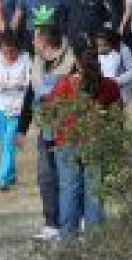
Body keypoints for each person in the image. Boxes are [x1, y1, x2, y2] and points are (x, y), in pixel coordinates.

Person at [44, 49, 123, 243]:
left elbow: (49, 111)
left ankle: (68, 240)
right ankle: (95, 241)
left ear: (77, 63)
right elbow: (118, 115)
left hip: (67, 141)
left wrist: (53, 135)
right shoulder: (110, 86)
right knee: (94, 191)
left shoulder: (64, 84)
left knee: (69, 190)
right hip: (96, 141)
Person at [20, 26, 75, 242]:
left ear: (44, 42)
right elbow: (30, 94)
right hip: (45, 129)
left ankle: (70, 222)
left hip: (68, 130)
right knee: (45, 177)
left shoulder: (72, 63)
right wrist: (21, 128)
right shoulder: (37, 64)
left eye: (35, 40)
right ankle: (51, 223)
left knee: (67, 178)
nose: (32, 44)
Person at [0, 31, 31, 191]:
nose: (8, 54)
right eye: (5, 51)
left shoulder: (26, 59)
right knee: (5, 143)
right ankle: (10, 175)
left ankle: (2, 179)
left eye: (11, 51)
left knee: (9, 141)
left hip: (18, 107)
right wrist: (0, 86)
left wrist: (17, 84)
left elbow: (29, 82)